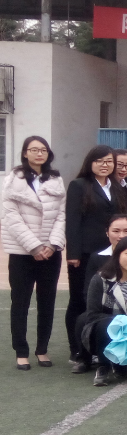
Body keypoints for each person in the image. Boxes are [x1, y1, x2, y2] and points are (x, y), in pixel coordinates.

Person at [4, 136, 65, 371]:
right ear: (25, 153)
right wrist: (34, 246)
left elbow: (62, 215)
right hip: (22, 252)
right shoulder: (13, 180)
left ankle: (42, 349)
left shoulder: (56, 179)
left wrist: (53, 244)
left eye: (43, 150)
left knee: (47, 302)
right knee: (20, 302)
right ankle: (21, 352)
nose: (39, 153)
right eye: (34, 150)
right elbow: (11, 217)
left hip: (51, 252)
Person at [65, 145, 127, 363]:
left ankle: (101, 348)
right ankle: (77, 350)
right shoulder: (79, 185)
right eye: (99, 161)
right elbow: (72, 220)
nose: (104, 165)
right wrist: (73, 253)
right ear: (90, 163)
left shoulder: (117, 186)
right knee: (79, 300)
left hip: (112, 252)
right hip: (85, 253)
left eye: (109, 161)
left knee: (107, 300)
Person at [78, 236, 127, 386]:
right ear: (118, 254)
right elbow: (92, 315)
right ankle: (103, 366)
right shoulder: (101, 279)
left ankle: (120, 363)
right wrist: (121, 321)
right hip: (101, 332)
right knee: (107, 323)